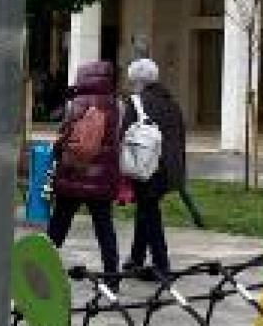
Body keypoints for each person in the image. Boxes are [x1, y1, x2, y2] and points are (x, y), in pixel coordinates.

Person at [47, 60, 122, 280]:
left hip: (72, 173)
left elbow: (65, 135)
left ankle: (42, 267)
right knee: (104, 227)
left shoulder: (75, 104)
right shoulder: (117, 105)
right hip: (101, 177)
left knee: (59, 225)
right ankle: (111, 275)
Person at [121, 59, 187, 280]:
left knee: (150, 213)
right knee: (146, 209)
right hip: (170, 168)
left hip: (148, 166)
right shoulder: (171, 103)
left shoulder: (137, 102)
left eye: (132, 81)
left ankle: (162, 264)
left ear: (137, 81)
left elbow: (124, 134)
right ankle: (136, 259)